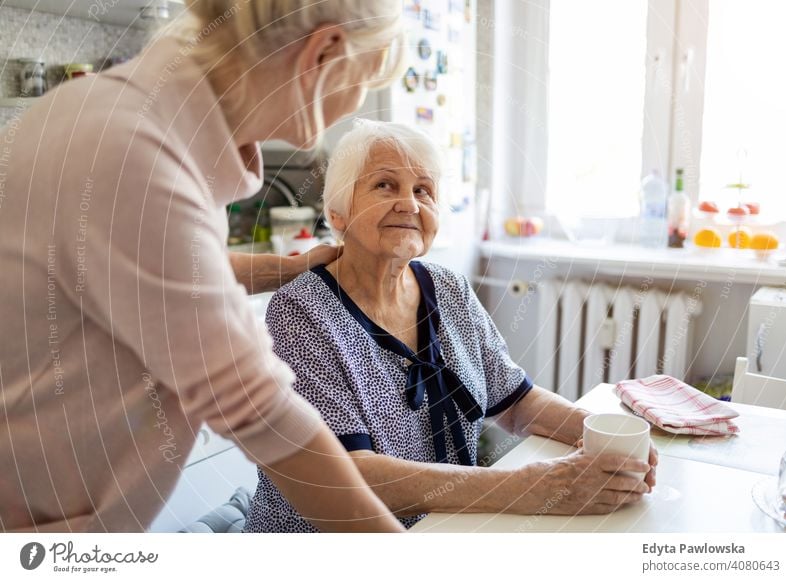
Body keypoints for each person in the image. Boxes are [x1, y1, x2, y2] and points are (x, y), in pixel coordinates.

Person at [0, 1, 408, 532]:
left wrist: (291, 267)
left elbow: (175, 271)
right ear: (324, 54)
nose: (356, 102)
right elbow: (259, 410)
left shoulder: (132, 118)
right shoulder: (134, 155)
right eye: (366, 79)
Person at [244, 120, 658, 532]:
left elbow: (516, 400)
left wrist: (606, 438)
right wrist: (528, 487)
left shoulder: (448, 288)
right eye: (385, 185)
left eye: (423, 190)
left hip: (441, 528)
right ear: (338, 213)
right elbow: (349, 476)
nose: (410, 204)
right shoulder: (301, 313)